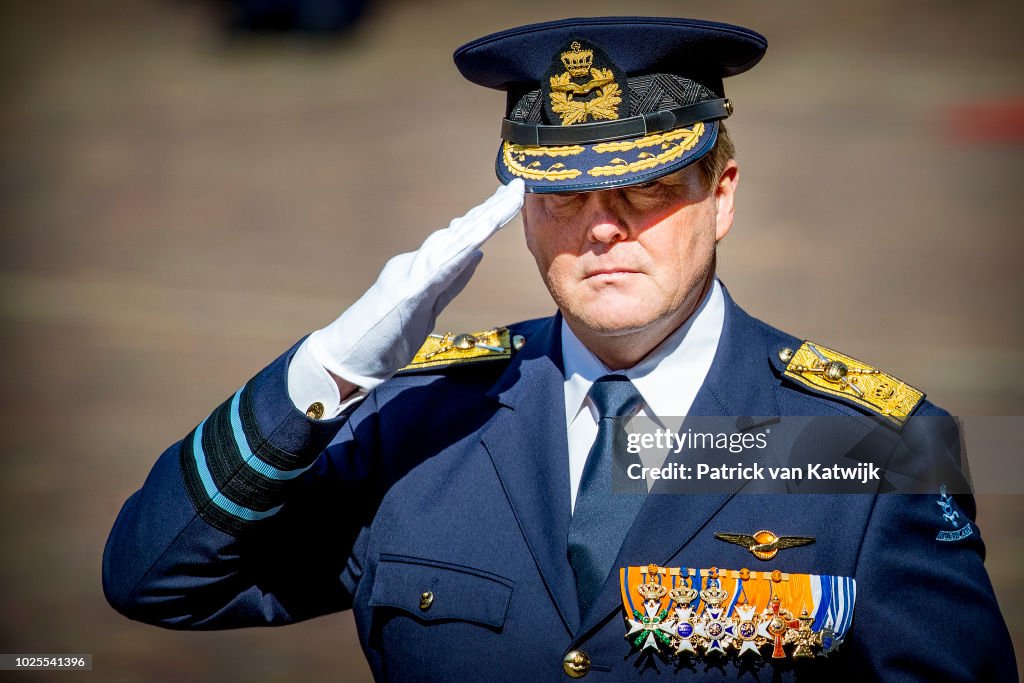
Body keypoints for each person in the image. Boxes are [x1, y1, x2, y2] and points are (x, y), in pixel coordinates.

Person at [103, 16, 1017, 681]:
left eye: (646, 188)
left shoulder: (874, 447)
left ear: (723, 192)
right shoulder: (416, 418)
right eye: (562, 195)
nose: (603, 229)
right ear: (522, 213)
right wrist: (328, 373)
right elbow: (155, 581)